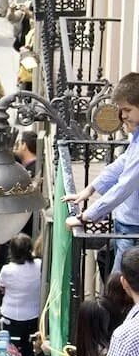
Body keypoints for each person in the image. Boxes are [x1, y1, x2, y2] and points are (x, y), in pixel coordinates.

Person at [65, 72, 139, 272]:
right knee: (111, 272)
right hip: (126, 222)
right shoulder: (136, 134)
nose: (122, 116)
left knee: (121, 286)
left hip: (133, 228)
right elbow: (123, 162)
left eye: (127, 110)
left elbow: (126, 185)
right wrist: (90, 189)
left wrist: (86, 217)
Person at [0, 234, 42, 356]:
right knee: (29, 350)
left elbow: (0, 285)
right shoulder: (39, 265)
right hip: (33, 315)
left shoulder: (7, 270)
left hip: (11, 316)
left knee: (11, 352)